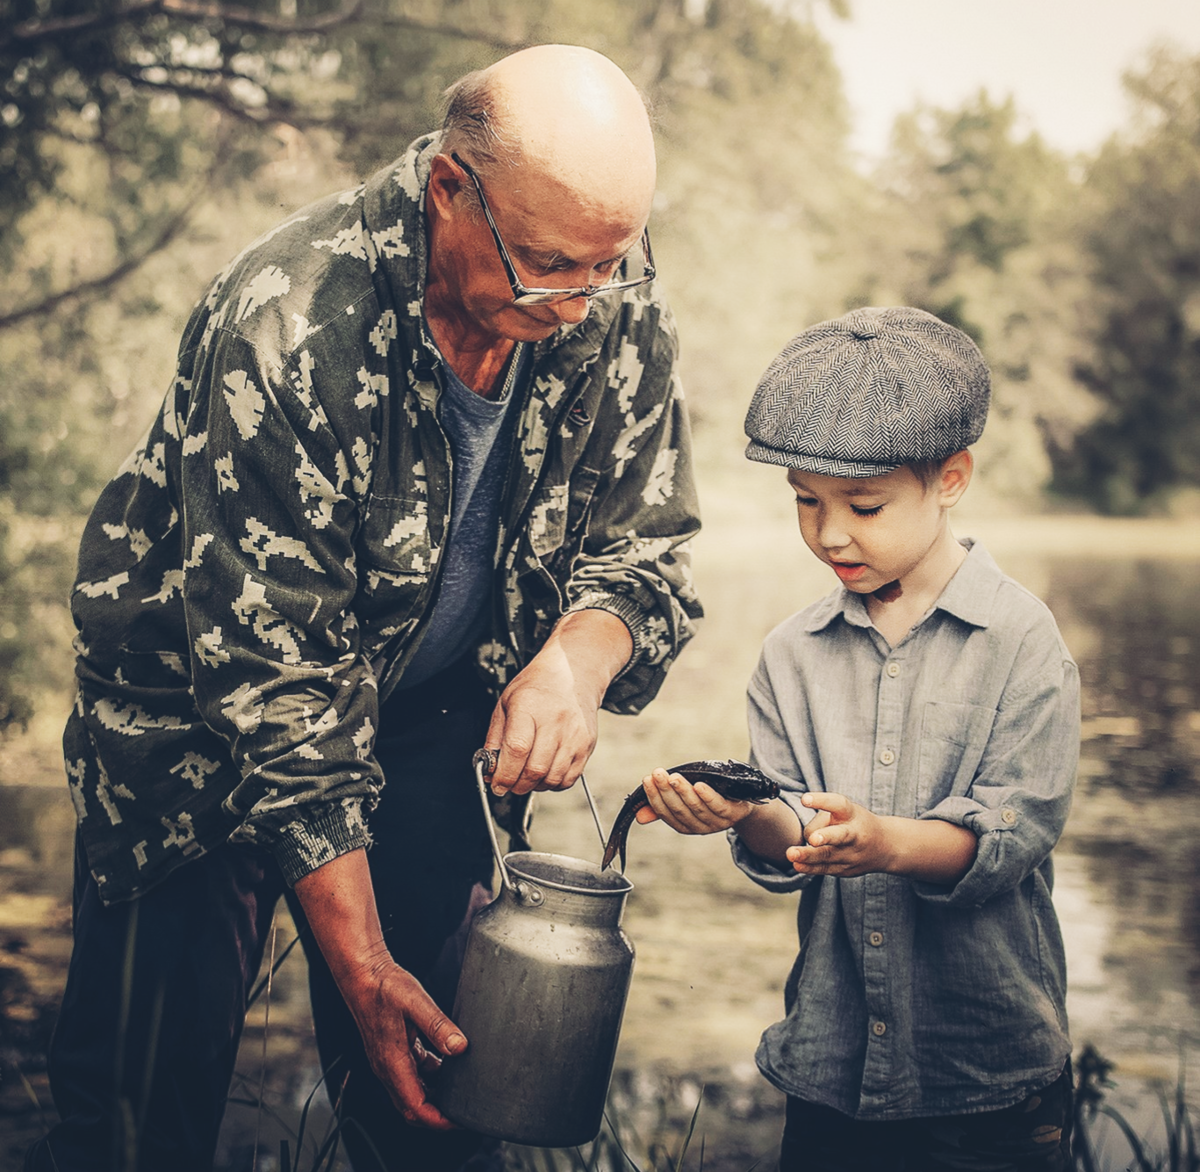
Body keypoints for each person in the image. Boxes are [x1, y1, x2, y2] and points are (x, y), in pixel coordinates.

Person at [27, 44, 701, 1172]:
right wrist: (358, 963)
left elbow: (649, 552)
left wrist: (573, 663)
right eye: (548, 266)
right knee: (136, 1120)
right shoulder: (289, 325)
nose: (581, 301)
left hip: (428, 715)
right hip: (194, 727)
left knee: (440, 1100)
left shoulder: (597, 287)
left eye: (607, 265)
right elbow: (277, 702)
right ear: (450, 191)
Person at [636, 306, 1078, 1172]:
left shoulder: (1022, 641)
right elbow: (791, 832)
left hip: (987, 1079)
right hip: (833, 1074)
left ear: (951, 478)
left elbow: (1009, 840)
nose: (830, 532)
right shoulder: (790, 654)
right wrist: (741, 815)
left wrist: (884, 844)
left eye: (864, 506)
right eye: (805, 501)